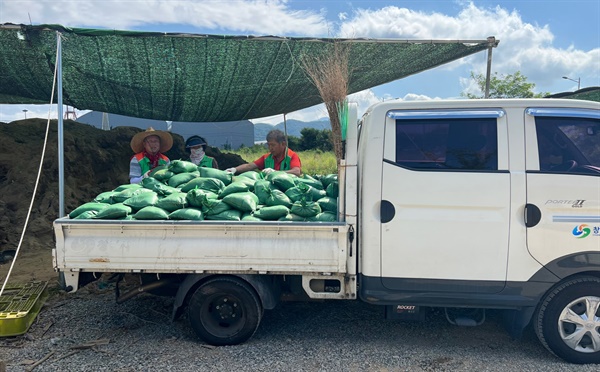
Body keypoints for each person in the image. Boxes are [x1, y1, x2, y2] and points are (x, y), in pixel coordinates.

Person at [226, 129, 301, 176]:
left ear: (283, 144)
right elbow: (250, 166)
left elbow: (296, 171)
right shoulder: (267, 158)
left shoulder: (291, 156)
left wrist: (276, 172)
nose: (270, 148)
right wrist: (234, 169)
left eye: (273, 145)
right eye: (269, 145)